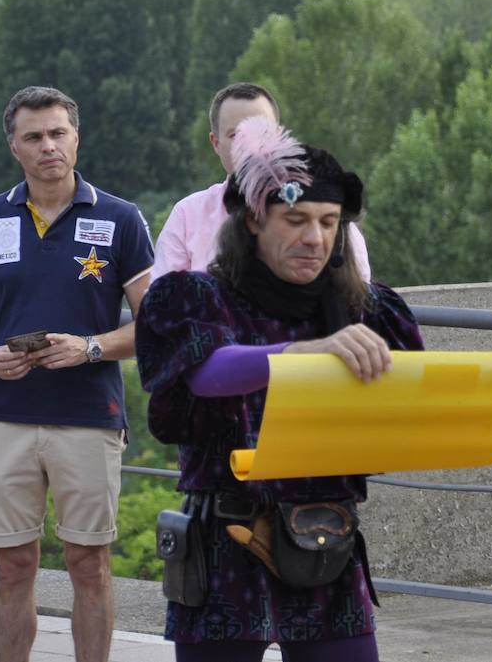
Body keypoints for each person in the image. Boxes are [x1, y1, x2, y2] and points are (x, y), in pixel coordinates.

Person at [135, 117, 423, 661]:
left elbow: (405, 399)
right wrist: (299, 355)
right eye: (295, 219)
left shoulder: (366, 309)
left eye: (329, 222)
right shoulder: (196, 298)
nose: (314, 238)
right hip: (225, 537)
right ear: (252, 221)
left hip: (325, 534)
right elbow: (207, 372)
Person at [0, 86, 153, 662]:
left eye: (58, 133)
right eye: (34, 136)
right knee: (12, 567)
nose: (48, 147)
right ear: (14, 145)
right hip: (4, 418)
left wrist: (89, 347)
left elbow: (153, 324)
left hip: (88, 418)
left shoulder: (120, 218)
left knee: (90, 564)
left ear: (76, 137)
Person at [153, 82, 370, 281]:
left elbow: (357, 294)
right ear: (215, 143)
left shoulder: (326, 213)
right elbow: (159, 309)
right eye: (235, 135)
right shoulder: (188, 215)